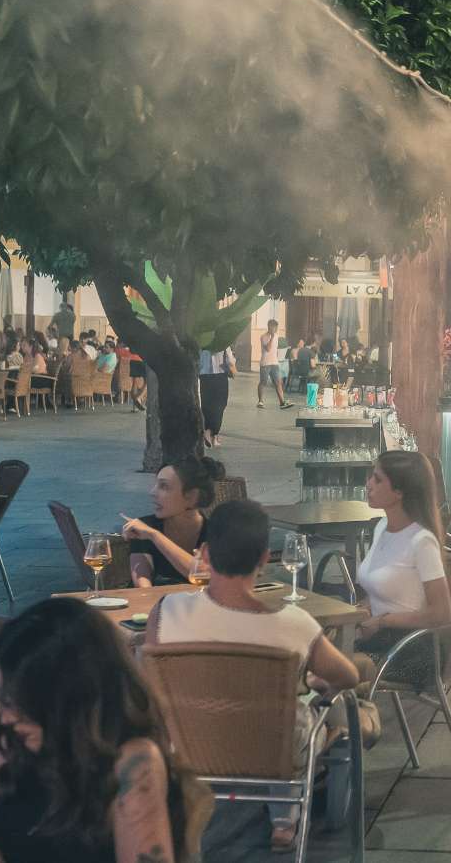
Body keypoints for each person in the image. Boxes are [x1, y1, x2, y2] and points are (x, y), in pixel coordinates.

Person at [0, 598, 195, 863]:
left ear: (67, 696)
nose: (5, 719)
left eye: (19, 703)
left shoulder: (132, 763)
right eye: (2, 700)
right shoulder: (16, 743)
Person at [147, 499, 358, 852]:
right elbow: (348, 676)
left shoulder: (167, 612)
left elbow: (151, 685)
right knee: (315, 712)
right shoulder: (294, 624)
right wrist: (315, 683)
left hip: (192, 745)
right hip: (272, 753)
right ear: (264, 558)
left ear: (205, 553)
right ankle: (285, 822)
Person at [355, 451, 451, 681]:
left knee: (327, 668)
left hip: (409, 650)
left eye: (377, 479)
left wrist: (383, 621)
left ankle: (345, 716)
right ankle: (340, 716)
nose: (369, 484)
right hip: (376, 640)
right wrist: (361, 611)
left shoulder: (421, 541)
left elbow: (442, 613)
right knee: (307, 653)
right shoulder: (381, 527)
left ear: (399, 492)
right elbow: (389, 589)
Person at [123, 455, 224, 588]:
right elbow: (143, 587)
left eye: (164, 486)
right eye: (156, 484)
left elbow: (204, 575)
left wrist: (155, 536)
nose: (153, 492)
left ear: (192, 496)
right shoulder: (145, 527)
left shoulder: (217, 533)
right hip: (156, 606)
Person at [197, 342, 234, 448]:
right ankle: (209, 432)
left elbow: (197, 360)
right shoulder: (223, 341)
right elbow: (230, 360)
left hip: (204, 376)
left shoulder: (203, 340)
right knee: (220, 405)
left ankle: (213, 436)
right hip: (220, 375)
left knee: (207, 405)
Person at [258, 320, 291, 410]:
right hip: (265, 363)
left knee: (278, 382)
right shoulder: (263, 337)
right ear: (268, 326)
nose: (274, 329)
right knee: (263, 382)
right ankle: (260, 401)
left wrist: (277, 359)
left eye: (275, 327)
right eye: (272, 327)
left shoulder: (276, 336)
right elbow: (268, 349)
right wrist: (271, 338)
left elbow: (275, 350)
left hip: (274, 363)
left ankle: (282, 402)